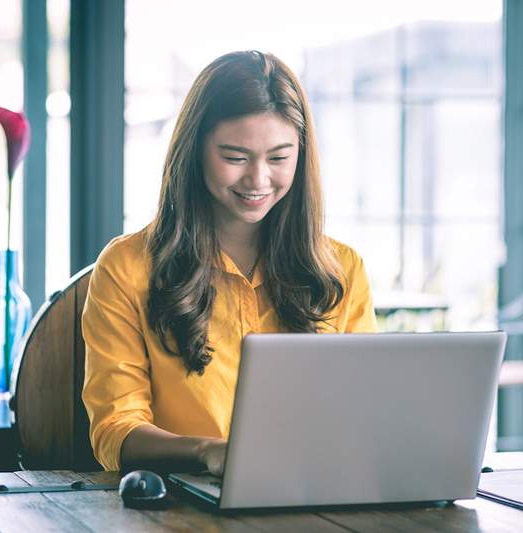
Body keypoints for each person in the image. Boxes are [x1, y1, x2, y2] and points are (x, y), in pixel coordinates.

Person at [81, 50, 378, 475]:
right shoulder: (127, 267)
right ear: (195, 150)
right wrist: (209, 452)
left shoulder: (342, 269)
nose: (258, 180)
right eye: (235, 157)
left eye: (278, 158)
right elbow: (114, 431)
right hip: (183, 507)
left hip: (314, 496)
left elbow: (363, 415)